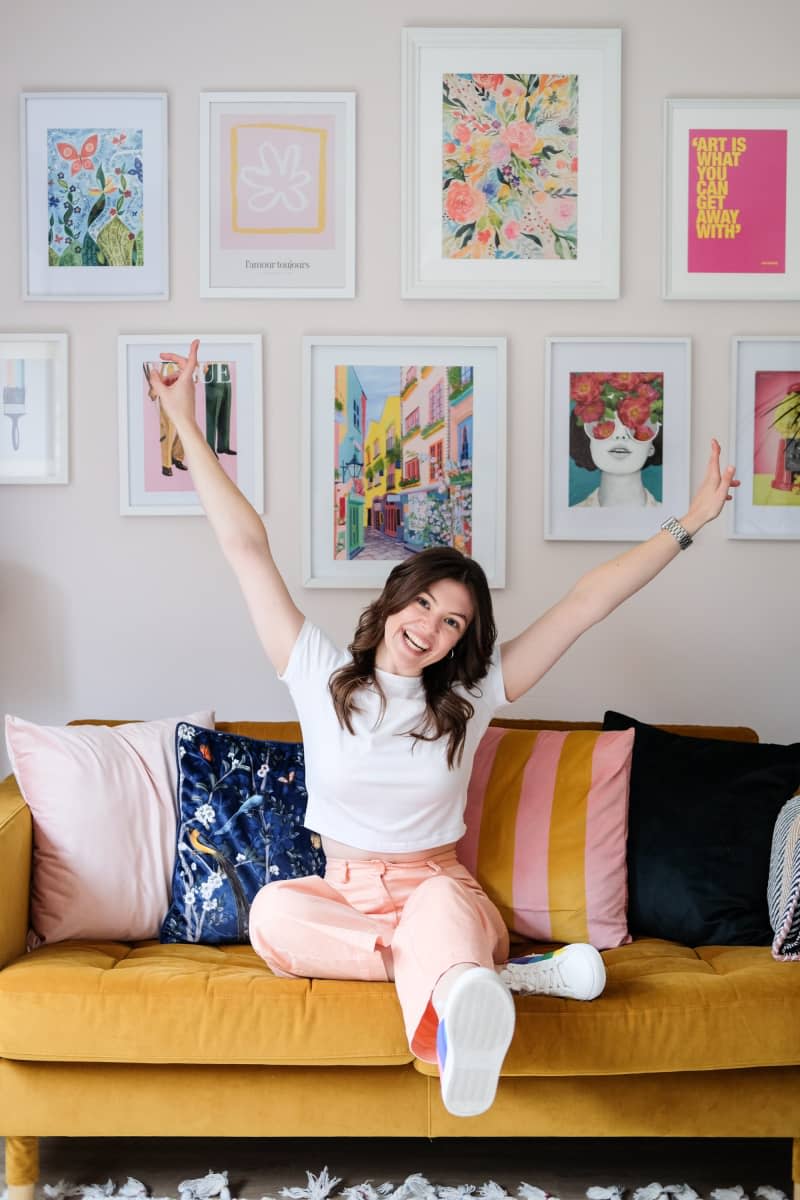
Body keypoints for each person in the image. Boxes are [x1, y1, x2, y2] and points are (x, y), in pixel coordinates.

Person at [147, 339, 739, 1119]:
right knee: (271, 915)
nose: (431, 627)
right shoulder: (320, 676)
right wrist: (184, 421)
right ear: (395, 603)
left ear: (464, 641)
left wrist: (689, 522)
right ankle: (484, 983)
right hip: (342, 898)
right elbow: (245, 547)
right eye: (423, 604)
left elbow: (586, 602)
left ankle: (463, 990)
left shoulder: (473, 696)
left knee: (442, 915)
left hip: (437, 890)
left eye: (453, 622)